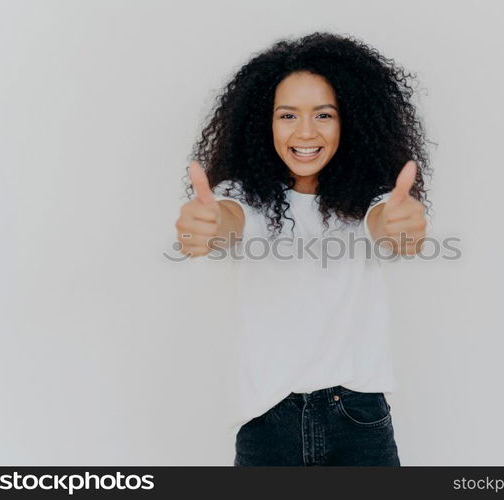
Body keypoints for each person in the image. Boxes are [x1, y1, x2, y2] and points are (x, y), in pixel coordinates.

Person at [174, 32, 432, 466]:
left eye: (324, 115)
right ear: (264, 122)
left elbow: (386, 224)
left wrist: (400, 226)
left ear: (350, 121)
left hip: (358, 416)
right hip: (267, 418)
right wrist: (209, 224)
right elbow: (228, 218)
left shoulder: (369, 195)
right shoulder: (245, 195)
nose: (306, 132)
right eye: (288, 115)